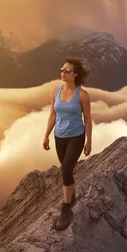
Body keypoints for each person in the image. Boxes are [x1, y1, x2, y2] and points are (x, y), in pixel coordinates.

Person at [43, 58, 92, 231]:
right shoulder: (55, 91)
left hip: (76, 137)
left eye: (67, 70)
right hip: (59, 137)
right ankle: (71, 197)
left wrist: (89, 141)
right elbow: (52, 115)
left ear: (75, 74)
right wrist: (46, 135)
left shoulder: (82, 95)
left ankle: (66, 208)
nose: (63, 72)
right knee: (66, 170)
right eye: (62, 69)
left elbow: (87, 118)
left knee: (65, 170)